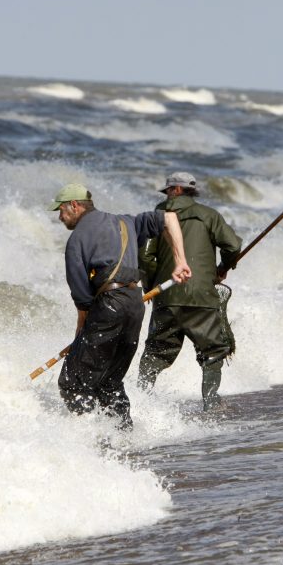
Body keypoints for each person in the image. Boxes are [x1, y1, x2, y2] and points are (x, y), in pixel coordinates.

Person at [50, 182, 191, 428]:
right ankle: (124, 436)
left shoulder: (77, 240)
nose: (60, 217)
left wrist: (80, 336)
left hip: (109, 307)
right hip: (135, 305)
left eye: (61, 210)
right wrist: (180, 262)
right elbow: (169, 218)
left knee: (72, 382)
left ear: (74, 206)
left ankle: (90, 439)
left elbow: (83, 300)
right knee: (110, 381)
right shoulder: (126, 222)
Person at [137, 172, 243, 411]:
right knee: (213, 352)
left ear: (174, 190)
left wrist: (154, 284)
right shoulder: (209, 215)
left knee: (155, 354)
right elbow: (233, 245)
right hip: (202, 297)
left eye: (167, 192)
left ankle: (140, 402)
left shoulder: (157, 217)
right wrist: (222, 267)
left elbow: (144, 257)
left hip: (167, 297)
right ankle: (212, 403)